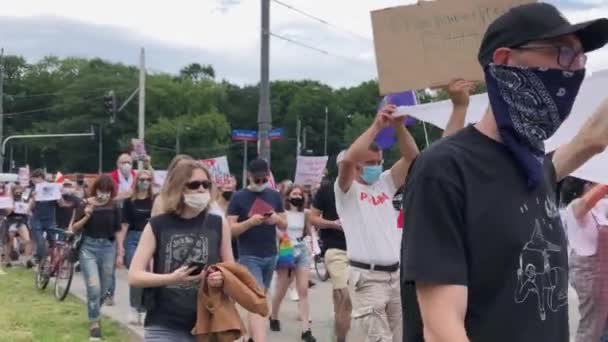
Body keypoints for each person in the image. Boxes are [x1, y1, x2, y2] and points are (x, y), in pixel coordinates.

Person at [401, 3, 608, 342]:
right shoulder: (445, 169)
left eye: (580, 59)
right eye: (562, 54)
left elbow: (593, 139)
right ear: (505, 60)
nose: (573, 72)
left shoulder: (536, 167)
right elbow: (441, 327)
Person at [335, 101, 419, 341]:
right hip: (367, 278)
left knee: (403, 336)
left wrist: (399, 127)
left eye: (379, 162)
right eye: (370, 163)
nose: (376, 167)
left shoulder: (385, 182)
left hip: (396, 276)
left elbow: (412, 158)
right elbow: (348, 160)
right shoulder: (346, 191)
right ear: (358, 167)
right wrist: (376, 126)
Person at [128, 159, 234, 341]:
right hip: (164, 323)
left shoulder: (218, 223)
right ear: (179, 188)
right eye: (194, 185)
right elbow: (134, 275)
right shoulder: (157, 225)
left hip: (207, 324)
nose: (201, 189)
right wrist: (171, 278)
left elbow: (231, 269)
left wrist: (221, 277)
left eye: (206, 184)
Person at [227, 158, 287, 342]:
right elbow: (230, 229)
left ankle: (250, 336)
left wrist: (276, 219)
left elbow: (285, 224)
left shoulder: (274, 196)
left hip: (270, 253)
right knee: (258, 298)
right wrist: (250, 222)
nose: (261, 183)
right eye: (257, 180)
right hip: (248, 255)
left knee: (260, 299)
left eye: (264, 179)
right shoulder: (238, 197)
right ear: (249, 176)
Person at [71, 175, 122, 341]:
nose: (104, 194)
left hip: (108, 247)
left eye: (108, 191)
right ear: (96, 189)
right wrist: (87, 215)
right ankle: (94, 324)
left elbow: (118, 229)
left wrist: (120, 251)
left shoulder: (114, 206)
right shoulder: (85, 203)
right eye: (101, 190)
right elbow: (74, 228)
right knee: (94, 287)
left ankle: (94, 311)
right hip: (88, 248)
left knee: (105, 286)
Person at [269, 185, 316, 342]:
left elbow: (310, 230)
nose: (297, 196)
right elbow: (274, 228)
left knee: (303, 290)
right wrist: (282, 237)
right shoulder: (282, 213)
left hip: (302, 249)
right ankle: (274, 315)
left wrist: (314, 246)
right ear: (287, 196)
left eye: (300, 194)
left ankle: (305, 330)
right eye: (294, 193)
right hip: (286, 248)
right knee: (282, 288)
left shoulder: (306, 214)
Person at [564, 180, 608, 342]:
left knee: (603, 324)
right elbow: (587, 201)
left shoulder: (601, 208)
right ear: (585, 186)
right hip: (589, 276)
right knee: (591, 327)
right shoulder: (575, 206)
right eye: (592, 183)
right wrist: (604, 184)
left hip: (603, 275)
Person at [310, 172, 349, 342]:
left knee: (339, 295)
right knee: (344, 296)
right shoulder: (326, 190)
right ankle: (341, 339)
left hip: (361, 251)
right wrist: (333, 224)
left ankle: (337, 329)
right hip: (335, 249)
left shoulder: (364, 188)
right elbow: (312, 218)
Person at [118, 170, 154, 325]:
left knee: (148, 274)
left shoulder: (155, 201)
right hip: (133, 237)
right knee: (136, 272)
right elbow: (124, 225)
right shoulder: (129, 202)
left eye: (147, 179)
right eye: (142, 179)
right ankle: (134, 307)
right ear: (136, 181)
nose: (145, 182)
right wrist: (120, 248)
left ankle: (144, 308)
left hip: (151, 238)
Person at [29, 169, 58, 263]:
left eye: (34, 180)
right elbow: (29, 207)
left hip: (49, 218)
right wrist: (34, 198)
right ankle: (39, 259)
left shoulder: (52, 187)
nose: (33, 182)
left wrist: (59, 195)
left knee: (53, 241)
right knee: (40, 240)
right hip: (37, 218)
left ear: (40, 177)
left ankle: (52, 261)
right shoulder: (33, 189)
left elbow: (60, 204)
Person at [4, 184, 34, 268]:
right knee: (9, 242)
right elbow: (7, 213)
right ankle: (7, 261)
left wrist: (28, 210)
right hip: (11, 221)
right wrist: (11, 206)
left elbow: (29, 210)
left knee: (27, 240)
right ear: (13, 192)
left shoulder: (24, 199)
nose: (19, 193)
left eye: (20, 191)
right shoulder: (9, 200)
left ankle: (27, 260)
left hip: (21, 221)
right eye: (17, 191)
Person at [210, 175, 238, 259]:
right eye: (226, 189)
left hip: (235, 249)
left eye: (232, 189)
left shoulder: (237, 206)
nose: (229, 192)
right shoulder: (212, 207)